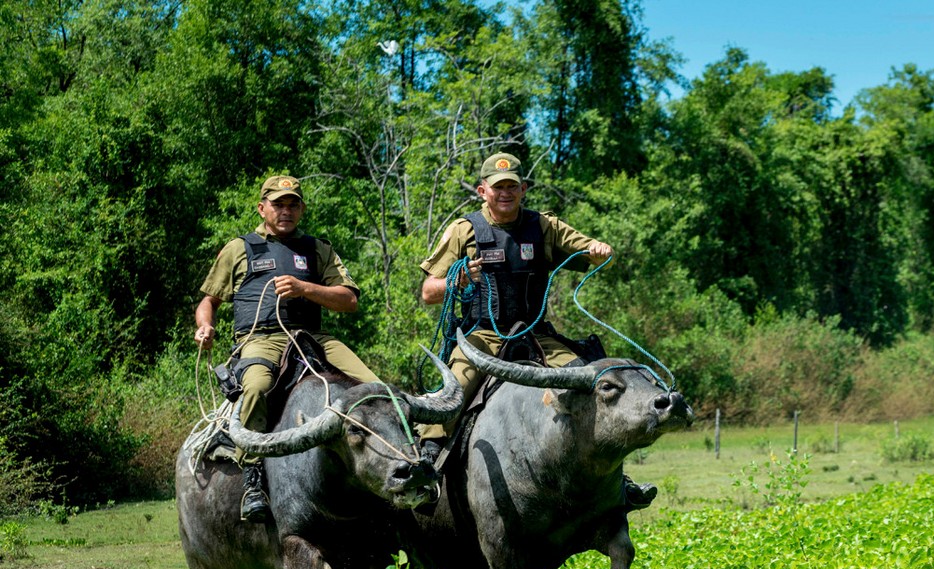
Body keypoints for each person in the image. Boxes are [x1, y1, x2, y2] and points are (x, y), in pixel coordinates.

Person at [418, 152, 655, 509]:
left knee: (590, 380)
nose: (505, 193)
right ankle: (425, 470)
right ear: (483, 190)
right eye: (498, 187)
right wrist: (460, 276)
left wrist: (598, 250)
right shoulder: (463, 230)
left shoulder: (544, 226)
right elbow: (428, 292)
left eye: (512, 185)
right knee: (454, 392)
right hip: (482, 335)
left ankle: (617, 483)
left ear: (523, 189)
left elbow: (590, 251)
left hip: (535, 334)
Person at [194, 175, 380, 522]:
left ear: (302, 209)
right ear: (262, 208)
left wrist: (305, 289)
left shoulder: (318, 248)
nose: (286, 211)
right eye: (278, 204)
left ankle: (399, 463)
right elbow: (209, 301)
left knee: (374, 387)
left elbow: (349, 300)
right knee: (256, 388)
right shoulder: (239, 248)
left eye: (293, 204)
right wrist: (205, 326)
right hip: (259, 338)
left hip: (312, 336)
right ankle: (253, 479)